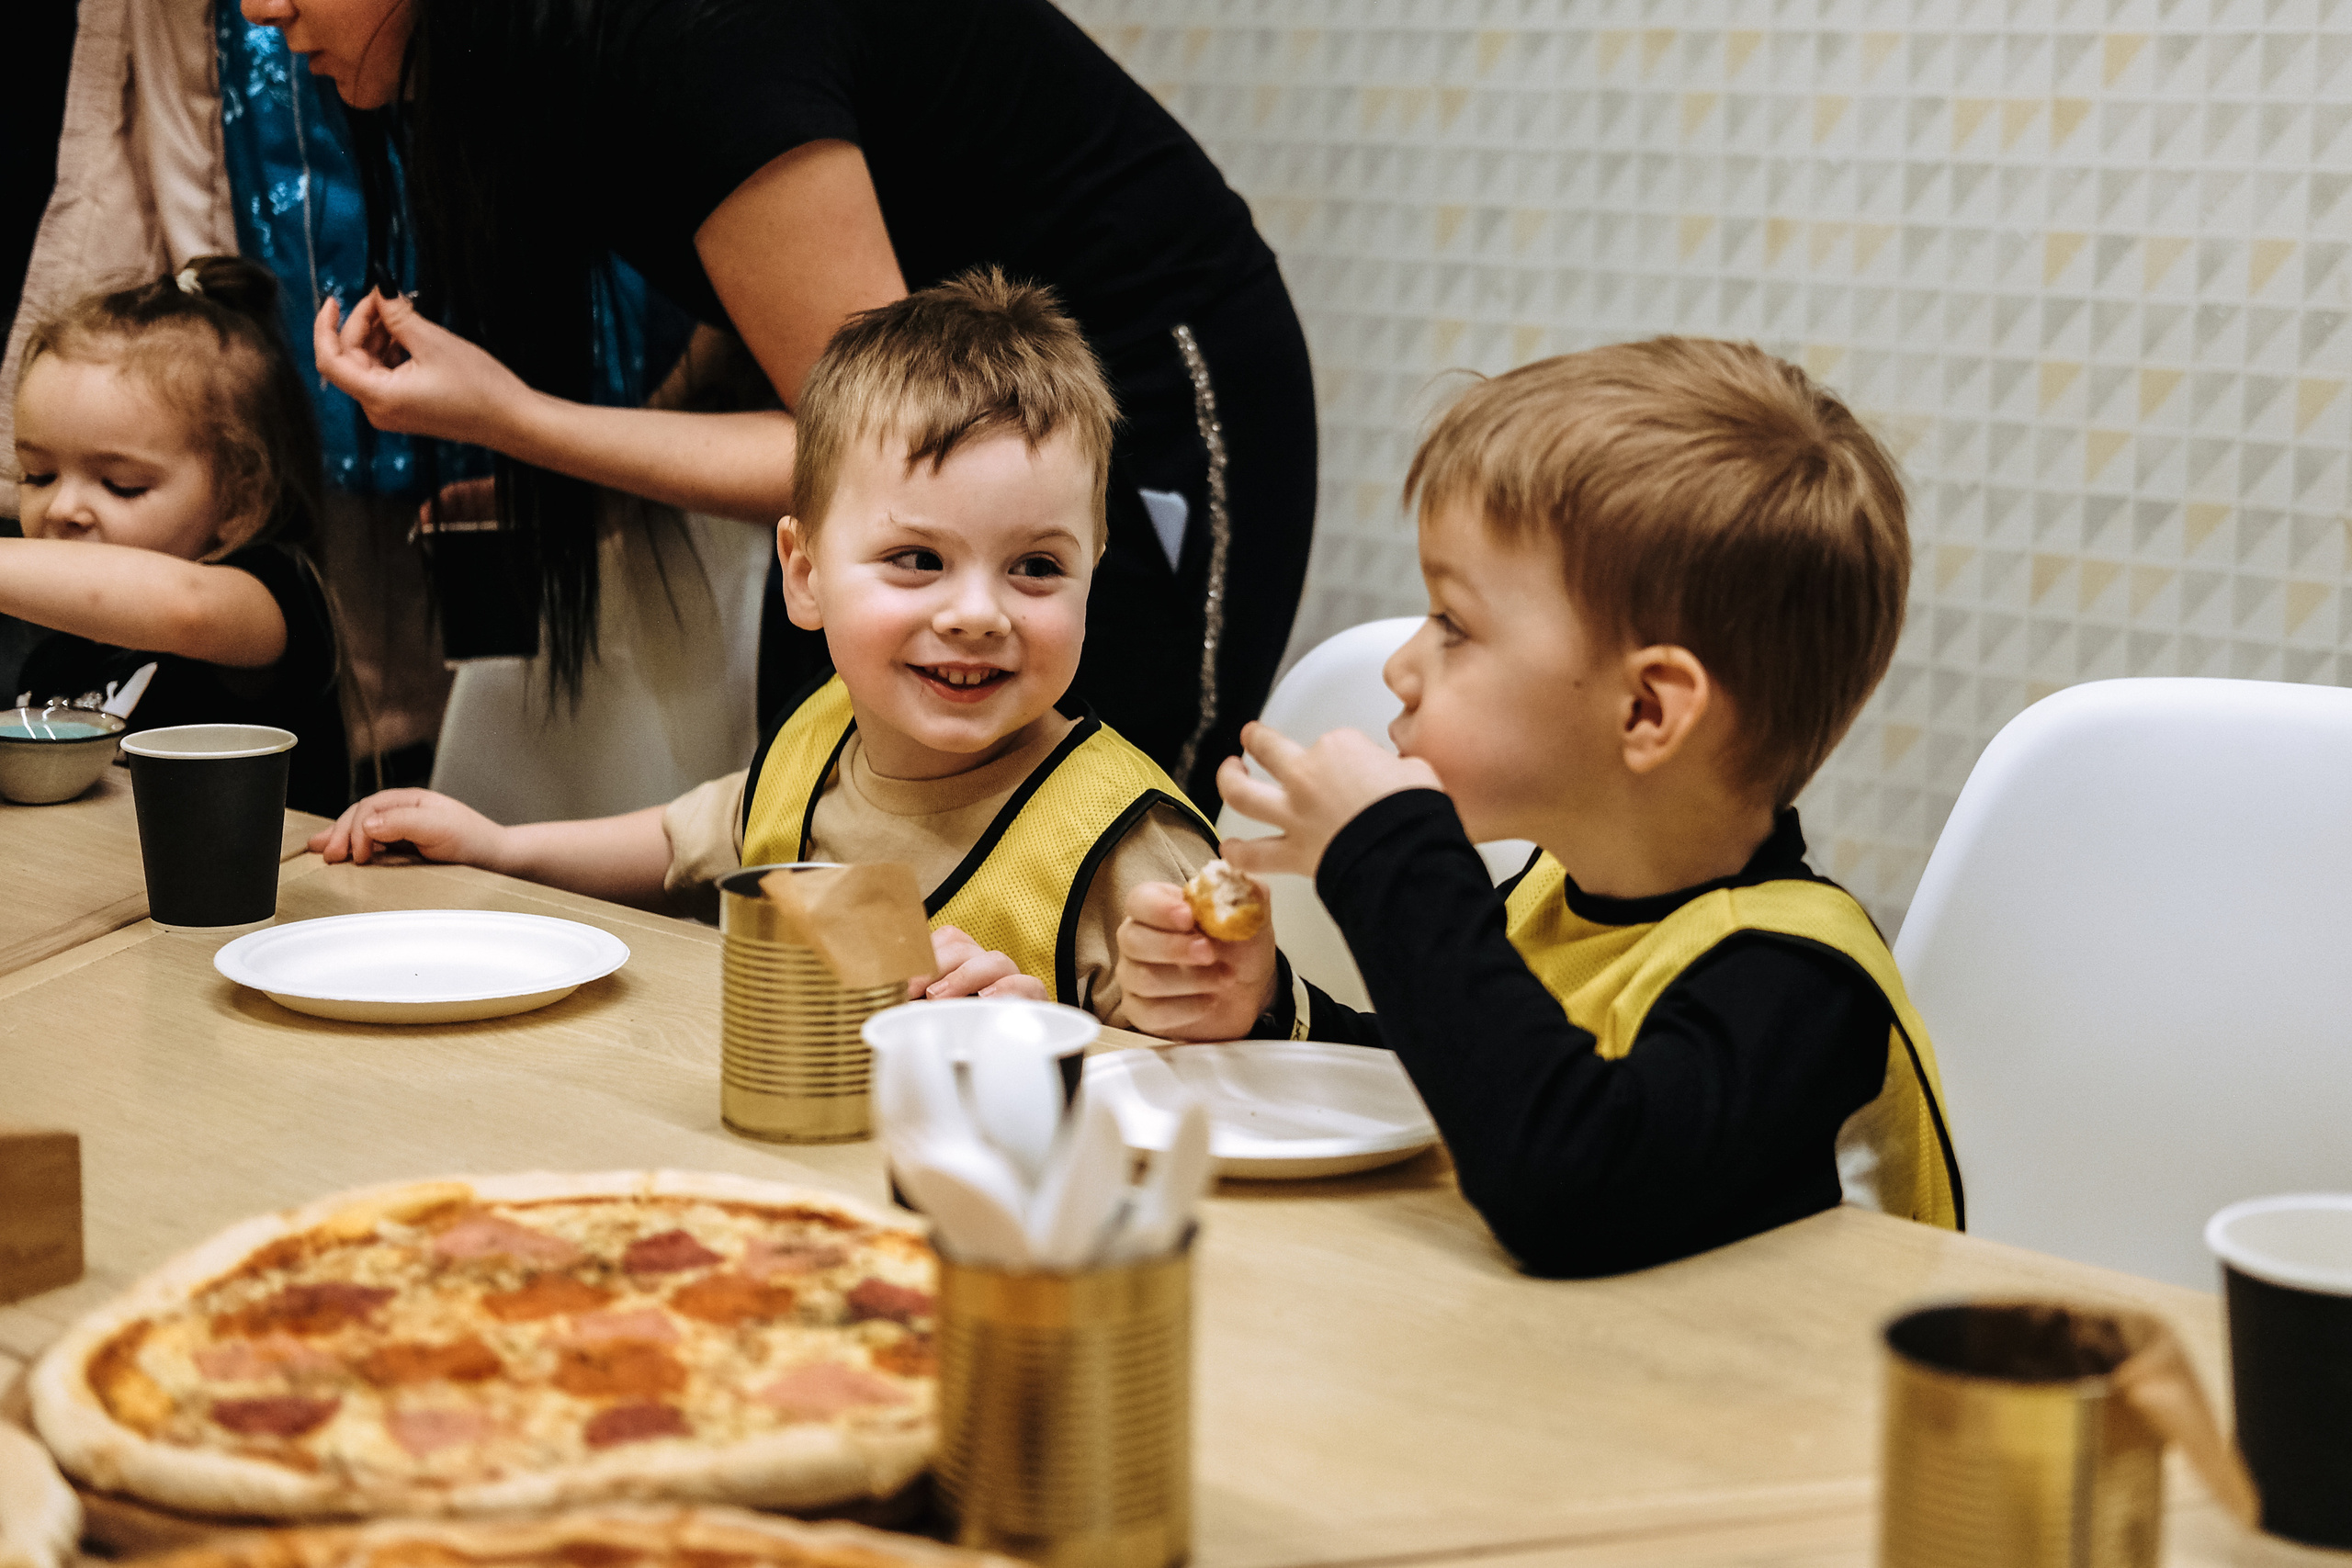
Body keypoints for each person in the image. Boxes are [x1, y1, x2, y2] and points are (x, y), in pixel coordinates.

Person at [243, 0, 1317, 814]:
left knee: (1078, 855)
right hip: (939, 405)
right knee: (840, 825)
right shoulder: (572, 49)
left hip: (1147, 401)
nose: (256, 6)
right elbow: (771, 302)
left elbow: (875, 461)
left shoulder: (688, 38)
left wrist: (518, 422)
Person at [1114, 339, 1964, 1277]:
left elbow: (1568, 1186)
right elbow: (1466, 1081)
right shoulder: (1554, 894)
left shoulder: (1800, 983)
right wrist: (1270, 1004)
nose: (1400, 669)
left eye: (1452, 626)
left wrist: (1391, 857)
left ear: (1646, 710)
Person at [311, 271, 1220, 1024]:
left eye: (1034, 567)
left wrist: (1052, 1037)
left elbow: (1222, 1091)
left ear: (1093, 571)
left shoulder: (1129, 846)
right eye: (917, 559)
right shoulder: (825, 735)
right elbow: (691, 833)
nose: (978, 613)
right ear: (805, 573)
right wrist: (504, 847)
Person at [6, 255, 349, 815]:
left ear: (240, 498)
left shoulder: (274, 594)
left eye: (121, 485)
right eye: (38, 475)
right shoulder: (56, 663)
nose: (63, 508)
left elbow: (184, 607)